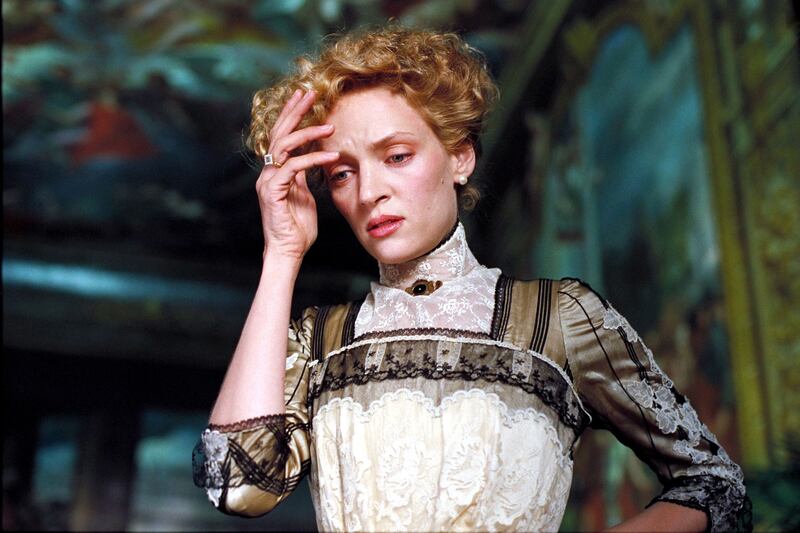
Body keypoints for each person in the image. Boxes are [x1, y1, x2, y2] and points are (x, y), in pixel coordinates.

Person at [192, 26, 749, 532]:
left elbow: (714, 484)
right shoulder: (319, 341)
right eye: (342, 173)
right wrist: (282, 254)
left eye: (397, 156)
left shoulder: (560, 318)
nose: (369, 192)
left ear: (460, 157)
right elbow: (235, 485)